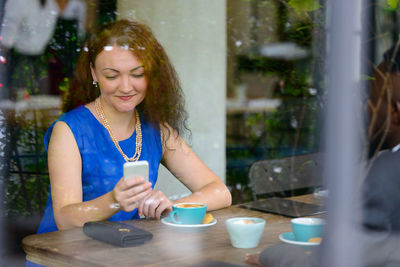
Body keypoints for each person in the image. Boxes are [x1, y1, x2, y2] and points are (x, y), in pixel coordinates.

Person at [36, 19, 232, 234]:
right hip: (62, 256)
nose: (126, 87)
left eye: (137, 74)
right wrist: (113, 201)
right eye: (112, 76)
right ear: (94, 73)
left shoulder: (157, 129)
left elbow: (221, 192)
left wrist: (172, 206)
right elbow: (65, 219)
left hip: (125, 250)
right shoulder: (68, 130)